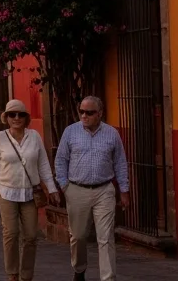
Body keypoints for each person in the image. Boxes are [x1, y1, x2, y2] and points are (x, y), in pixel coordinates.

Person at [0, 98, 59, 281]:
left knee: (31, 236)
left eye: (20, 114)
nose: (16, 118)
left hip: (30, 193)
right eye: (12, 114)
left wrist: (52, 188)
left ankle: (26, 275)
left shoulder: (34, 137)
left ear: (26, 118)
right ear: (6, 118)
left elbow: (43, 164)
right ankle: (12, 274)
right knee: (11, 232)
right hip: (6, 191)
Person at [55, 96, 130, 281]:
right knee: (78, 236)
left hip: (104, 190)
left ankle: (108, 278)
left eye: (89, 112)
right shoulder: (70, 132)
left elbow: (120, 162)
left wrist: (124, 190)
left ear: (100, 114)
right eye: (81, 111)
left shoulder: (112, 134)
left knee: (106, 237)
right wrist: (65, 186)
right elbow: (61, 160)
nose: (84, 116)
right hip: (77, 189)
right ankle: (79, 269)